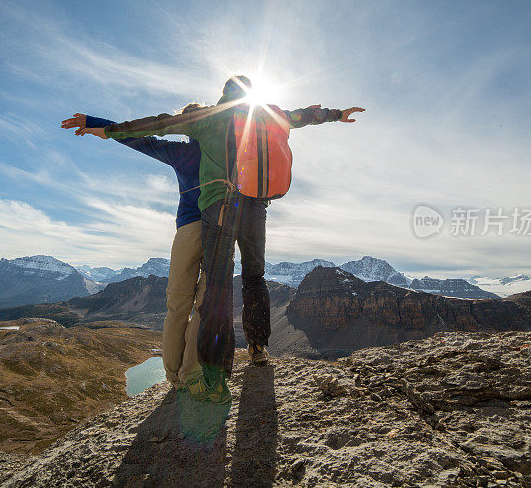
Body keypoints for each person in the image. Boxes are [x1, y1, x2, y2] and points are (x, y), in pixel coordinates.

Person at [87, 76, 365, 404]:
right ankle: (257, 347)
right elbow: (300, 115)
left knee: (212, 292)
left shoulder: (207, 122)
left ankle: (209, 373)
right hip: (254, 207)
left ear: (224, 94)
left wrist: (108, 128)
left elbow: (159, 125)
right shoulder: (265, 115)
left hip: (217, 209)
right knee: (253, 276)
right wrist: (335, 114)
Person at [60, 104, 207, 390]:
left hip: (188, 228)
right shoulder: (226, 152)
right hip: (219, 228)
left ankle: (174, 376)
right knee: (205, 306)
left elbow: (141, 139)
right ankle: (192, 373)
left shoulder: (180, 153)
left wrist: (97, 122)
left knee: (178, 305)